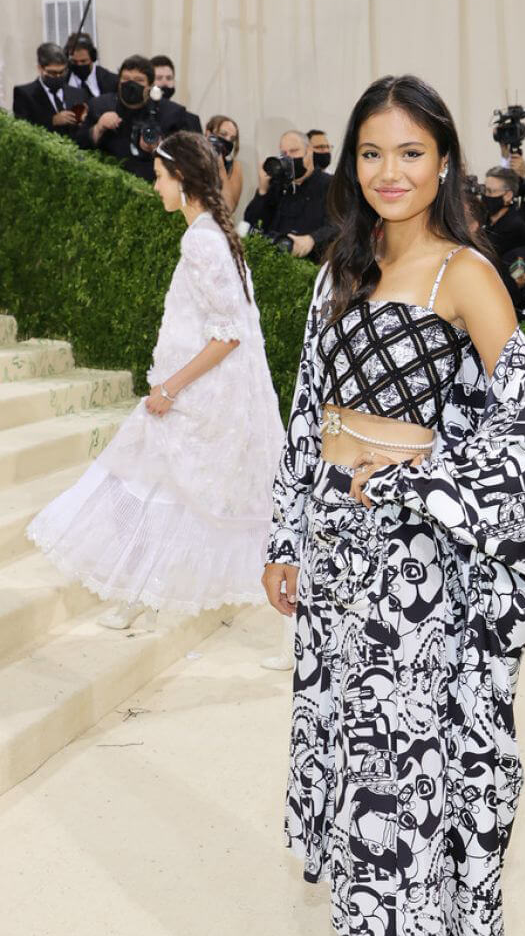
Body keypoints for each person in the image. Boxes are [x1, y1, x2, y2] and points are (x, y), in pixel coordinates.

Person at [263, 73, 525, 936]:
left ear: (443, 162)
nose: (388, 172)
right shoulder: (343, 269)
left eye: (409, 152)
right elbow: (307, 410)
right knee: (351, 761)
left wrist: (418, 481)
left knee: (394, 781)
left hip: (413, 566)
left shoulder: (463, 274)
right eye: (370, 154)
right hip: (338, 555)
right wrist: (287, 533)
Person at [27, 132, 284, 630]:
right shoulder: (211, 234)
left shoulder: (202, 240)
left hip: (194, 400)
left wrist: (170, 388)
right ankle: (137, 591)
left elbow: (228, 333)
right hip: (196, 397)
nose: (154, 188)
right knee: (149, 487)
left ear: (182, 179)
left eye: (160, 178)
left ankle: (140, 593)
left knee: (138, 483)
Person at [77, 55, 196, 180]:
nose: (131, 84)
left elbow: (185, 160)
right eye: (126, 79)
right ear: (118, 82)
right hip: (108, 182)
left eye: (139, 80)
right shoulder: (100, 106)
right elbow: (78, 145)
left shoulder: (171, 113)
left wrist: (158, 148)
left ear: (150, 85)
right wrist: (98, 128)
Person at [243, 129, 335, 260]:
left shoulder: (330, 185)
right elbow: (252, 223)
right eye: (284, 153)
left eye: (294, 151)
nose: (289, 157)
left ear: (309, 151)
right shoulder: (277, 186)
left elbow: (339, 226)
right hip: (274, 264)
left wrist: (312, 240)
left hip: (312, 266)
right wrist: (262, 190)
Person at [12, 42, 87, 137]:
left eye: (62, 72)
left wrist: (85, 121)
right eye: (53, 73)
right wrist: (52, 121)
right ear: (40, 68)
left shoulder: (78, 94)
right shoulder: (24, 94)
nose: (58, 76)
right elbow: (22, 132)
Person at [481, 166, 525, 256]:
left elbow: (487, 254)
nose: (486, 195)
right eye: (484, 190)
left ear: (508, 195)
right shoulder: (483, 218)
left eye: (490, 191)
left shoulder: (515, 226)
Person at [151, 54, 202, 132]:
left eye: (169, 78)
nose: (165, 82)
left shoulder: (191, 120)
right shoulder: (141, 117)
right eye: (159, 78)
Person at [206, 114, 244, 211]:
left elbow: (229, 208)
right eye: (223, 134)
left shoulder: (234, 166)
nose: (227, 140)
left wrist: (220, 165)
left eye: (232, 139)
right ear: (208, 133)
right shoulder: (191, 156)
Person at [64, 31, 118, 98]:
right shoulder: (61, 82)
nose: (79, 65)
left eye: (83, 61)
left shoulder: (113, 81)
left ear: (93, 57)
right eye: (74, 62)